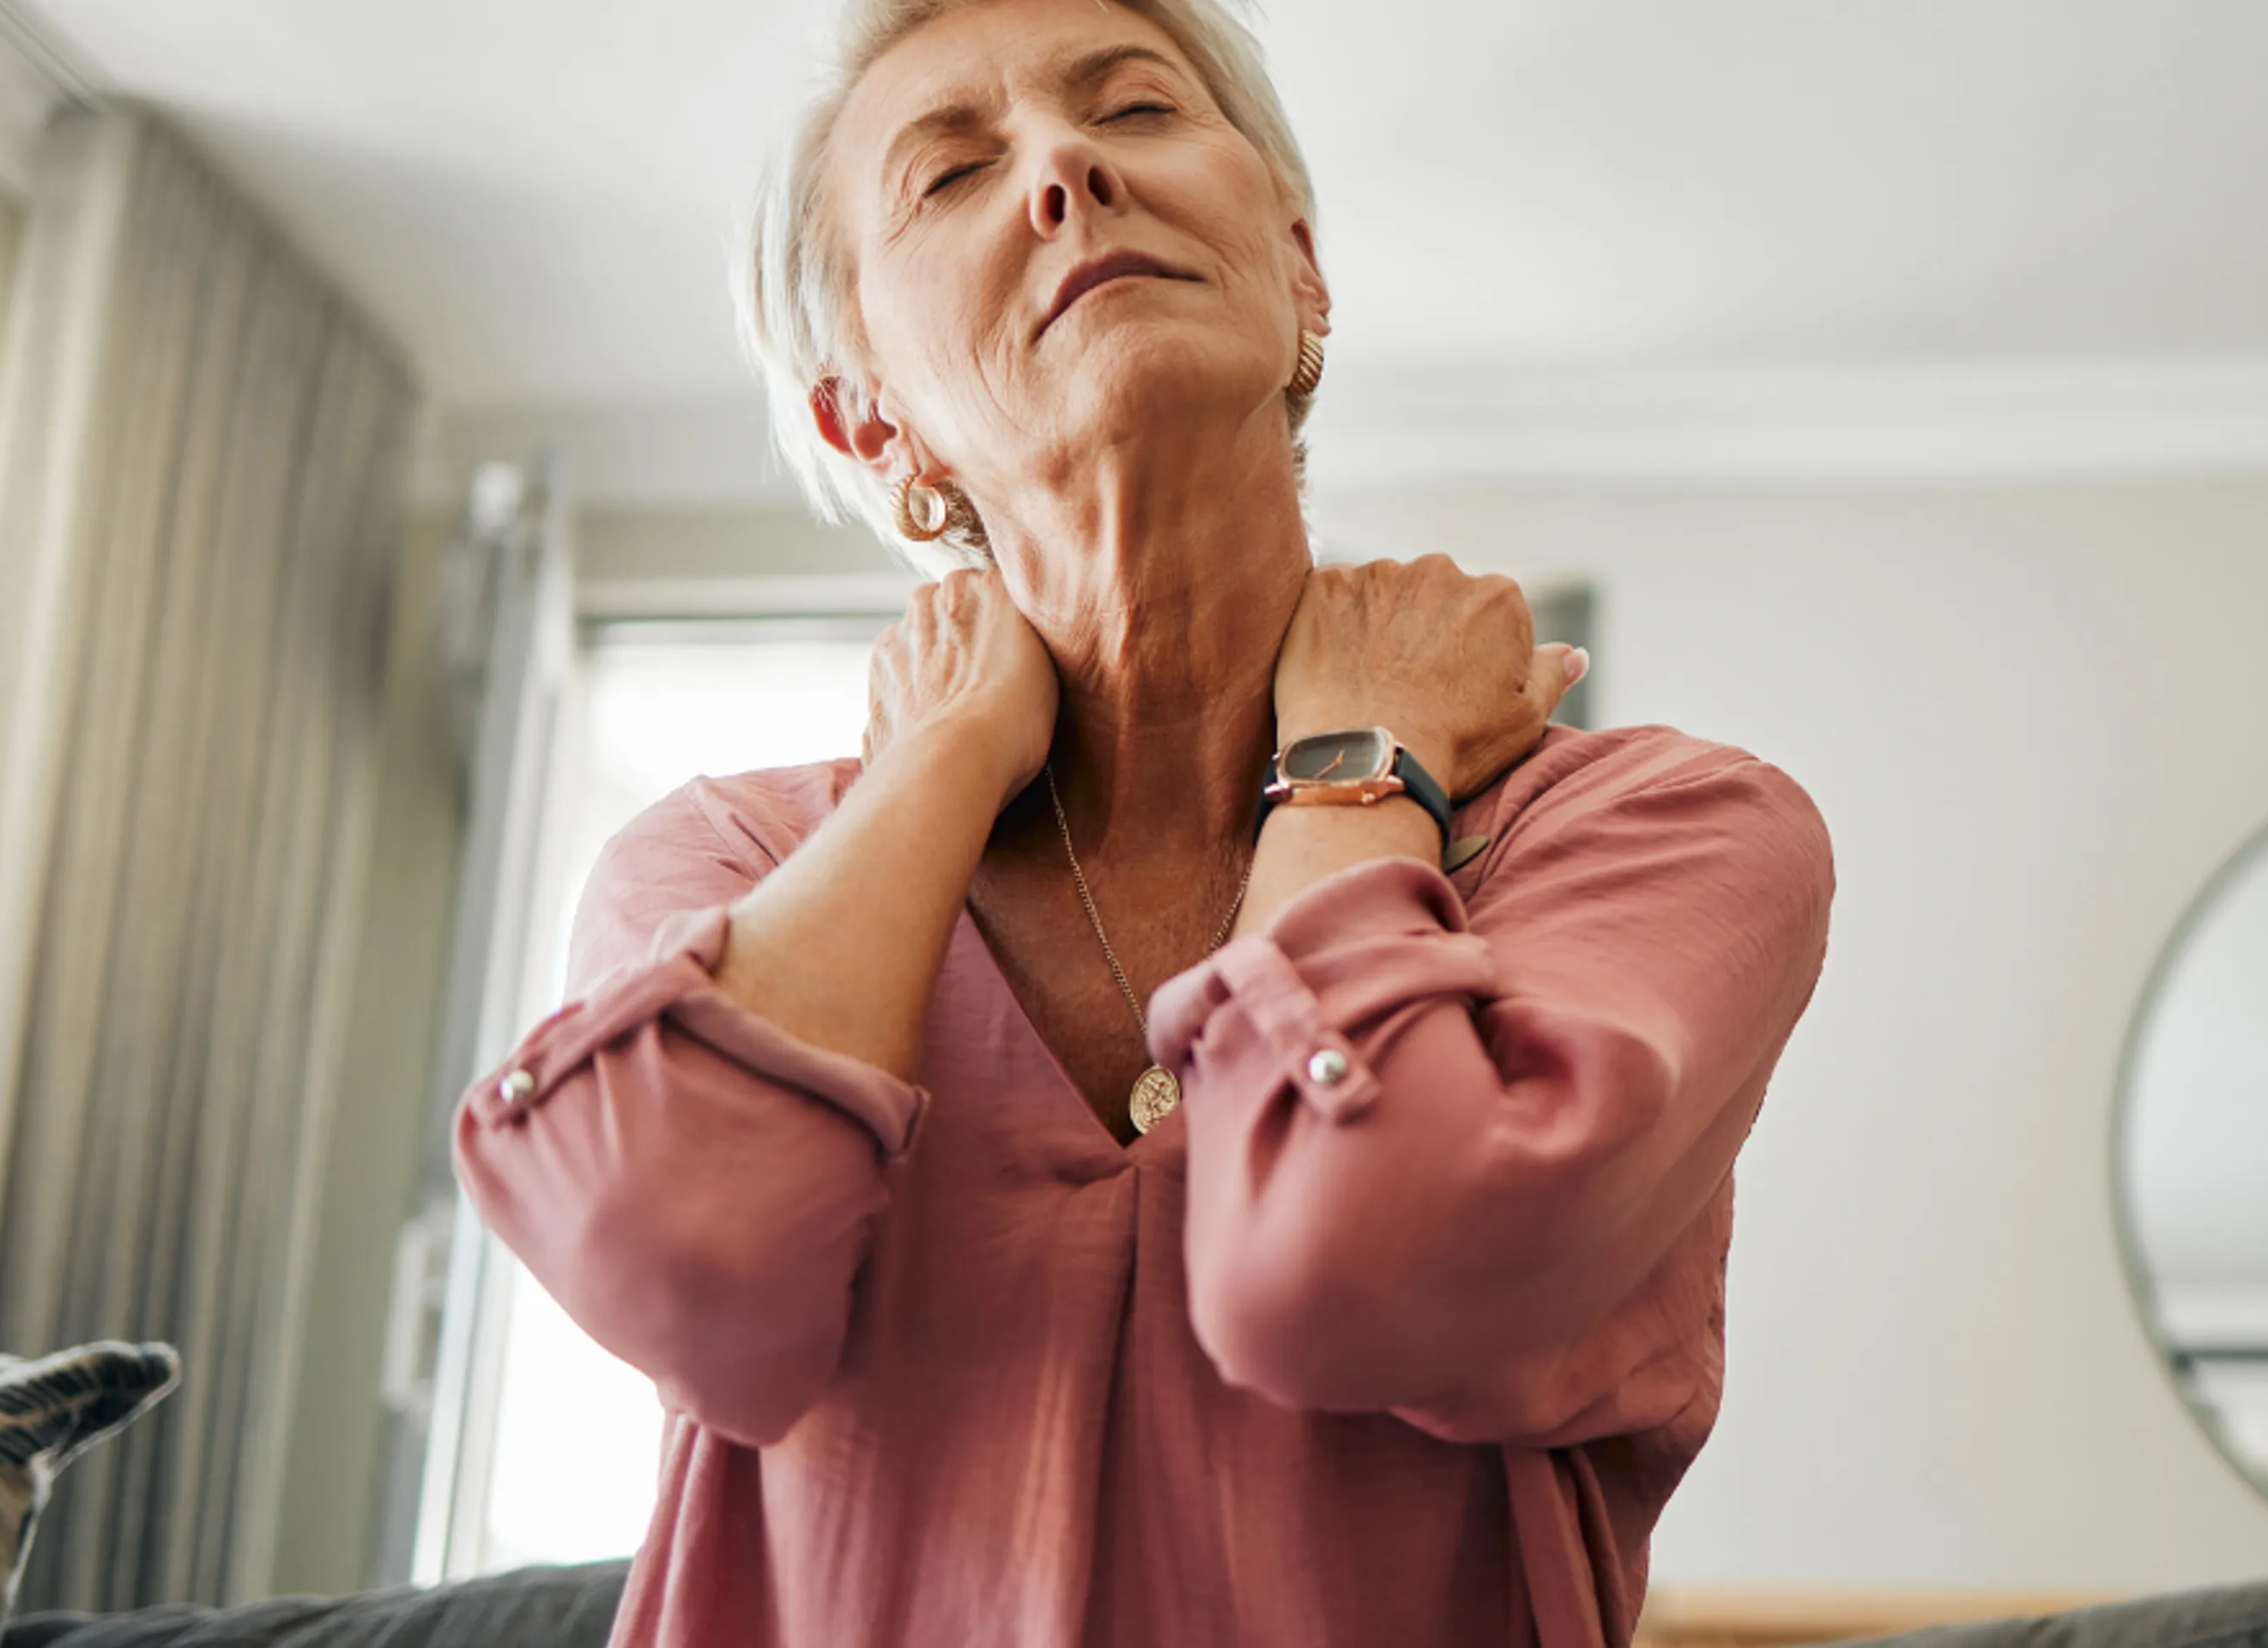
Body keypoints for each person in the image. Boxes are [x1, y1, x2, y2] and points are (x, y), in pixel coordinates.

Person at [452, 0, 1834, 1641]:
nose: (1065, 172)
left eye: (1137, 111)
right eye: (953, 172)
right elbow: (683, 1263)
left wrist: (1358, 770)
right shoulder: (727, 872)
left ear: (1303, 270)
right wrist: (942, 759)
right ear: (867, 420)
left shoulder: (1664, 831)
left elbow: (1343, 1268)